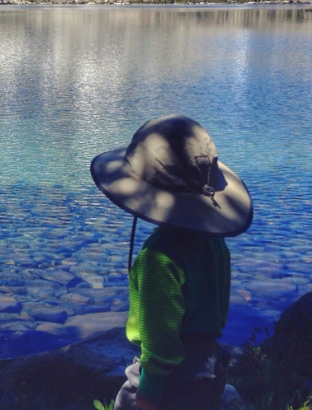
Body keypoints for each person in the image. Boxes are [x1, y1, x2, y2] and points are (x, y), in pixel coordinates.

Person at [90, 115, 253, 410]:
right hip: (210, 367)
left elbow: (161, 345)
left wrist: (148, 394)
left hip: (171, 381)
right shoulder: (214, 243)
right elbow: (219, 313)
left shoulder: (158, 258)